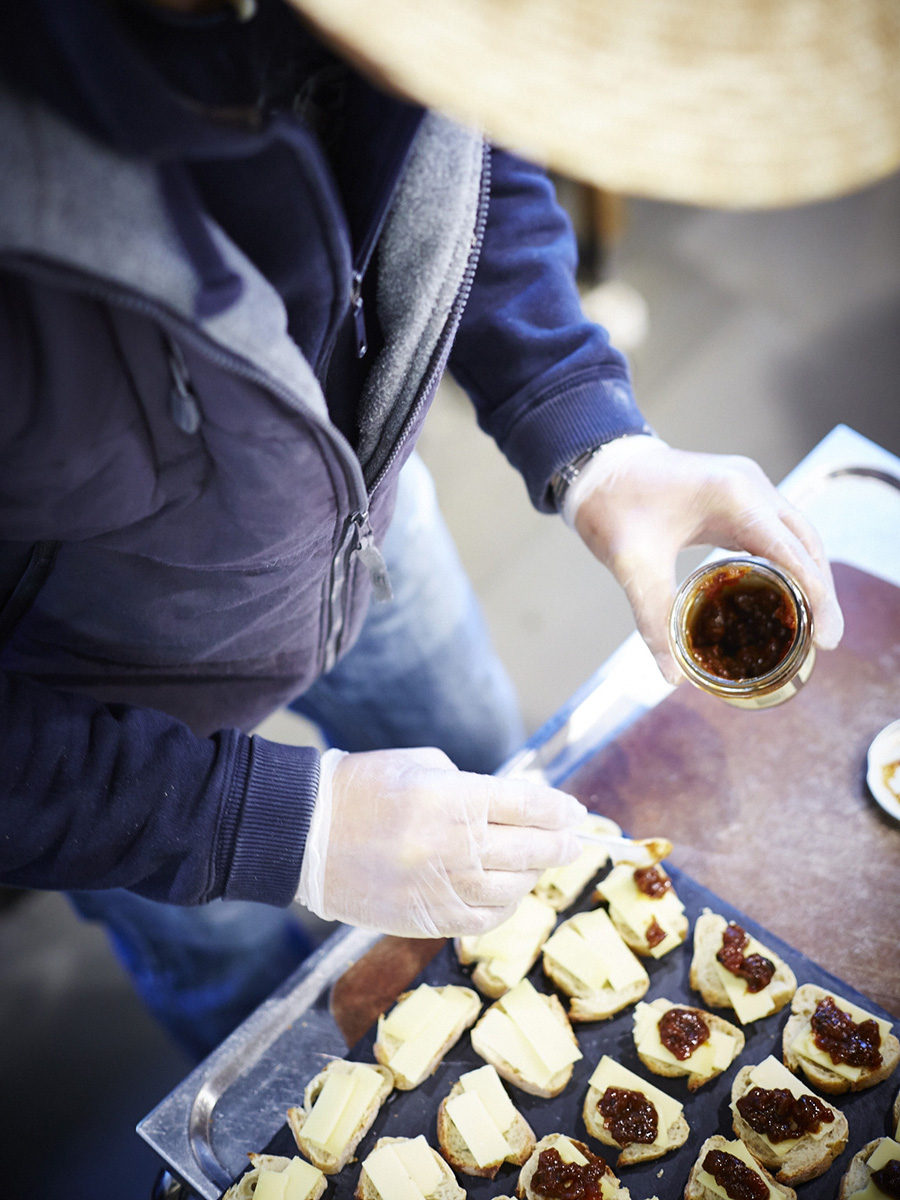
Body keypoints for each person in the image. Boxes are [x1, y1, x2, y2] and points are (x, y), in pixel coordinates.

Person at [0, 0, 868, 1059]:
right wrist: (275, 830)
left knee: (498, 796)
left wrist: (586, 424)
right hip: (88, 701)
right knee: (226, 965)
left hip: (370, 528)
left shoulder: (432, 25)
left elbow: (460, 150)